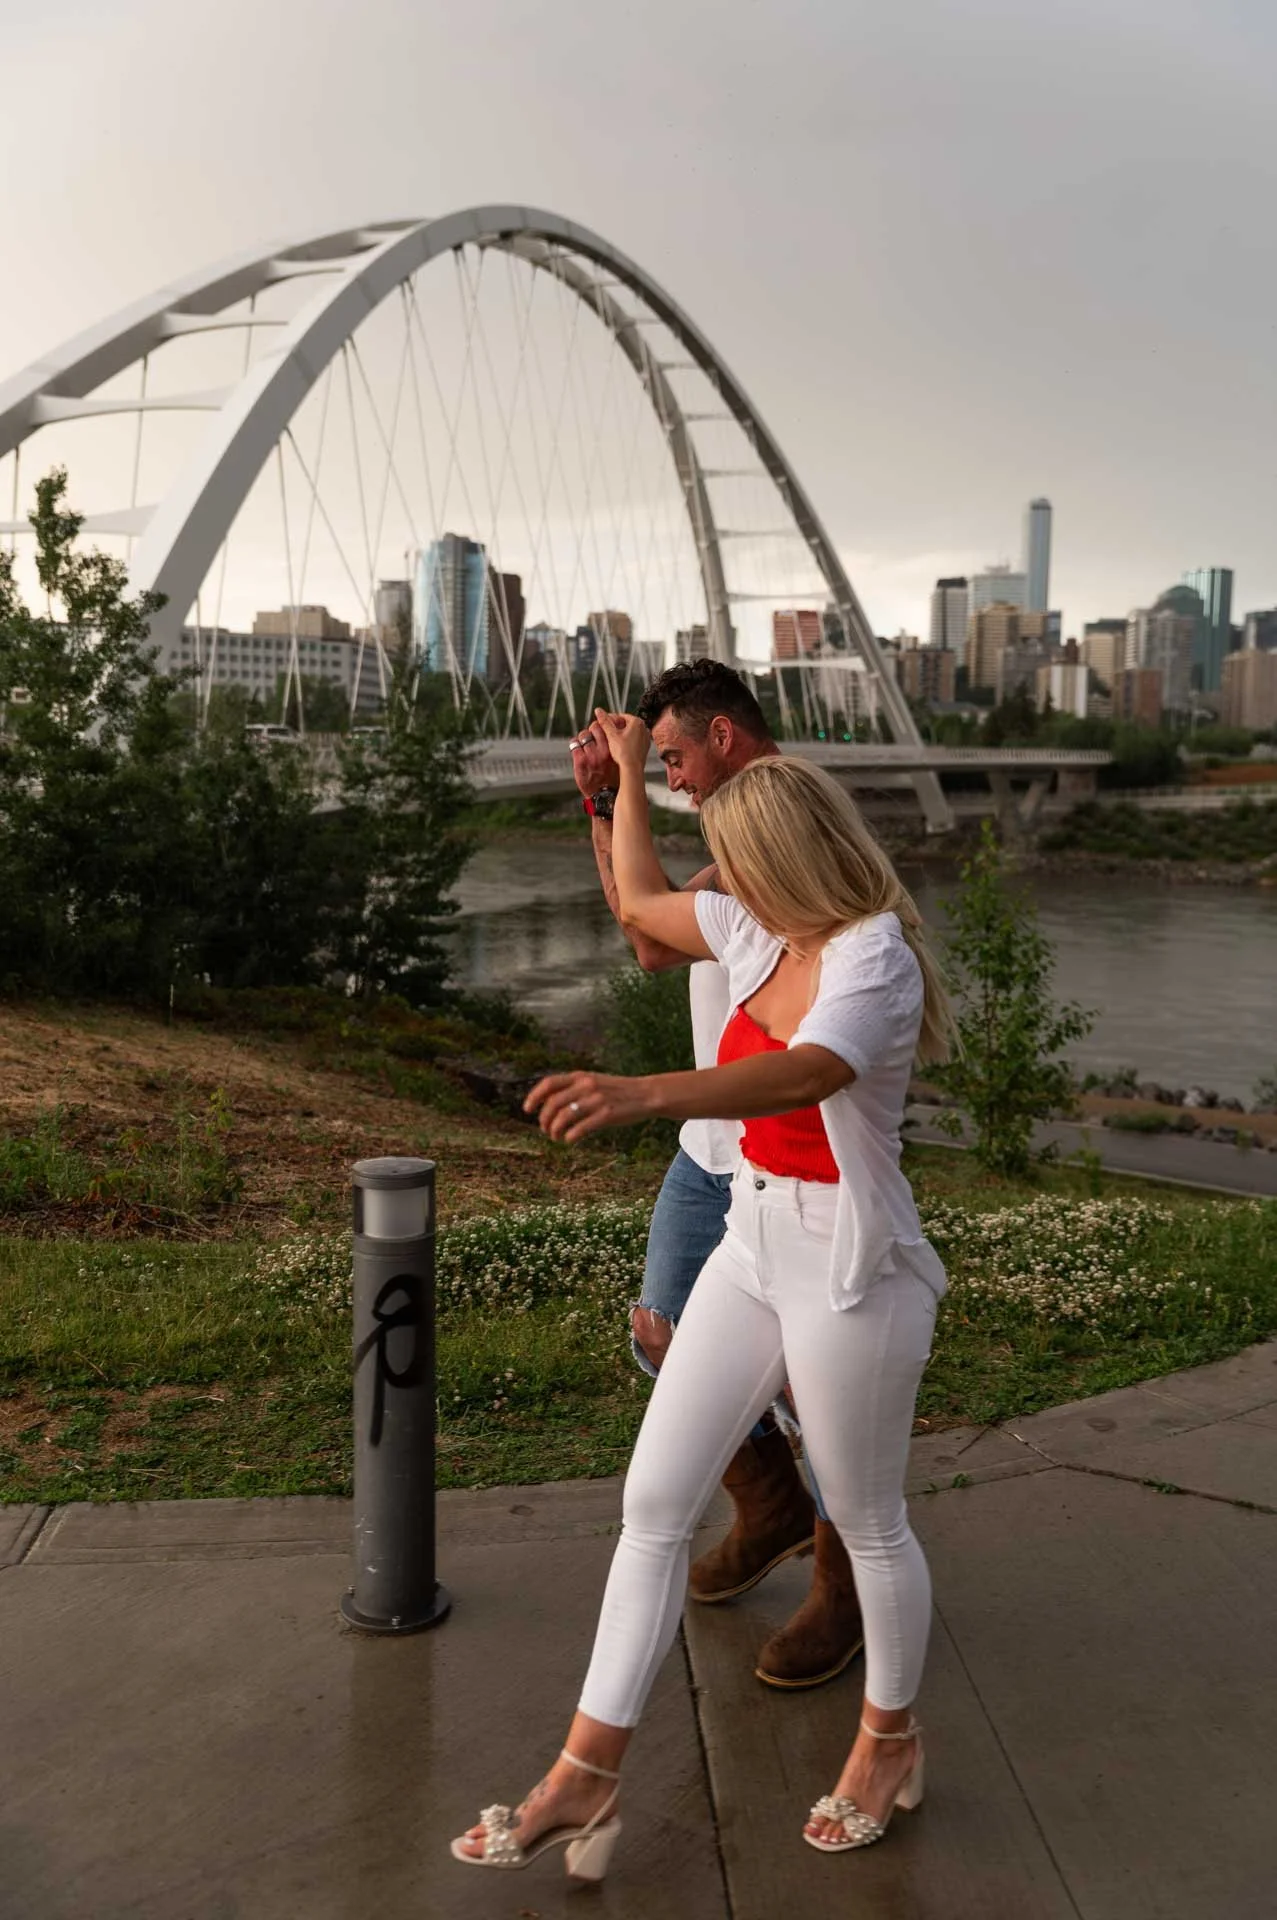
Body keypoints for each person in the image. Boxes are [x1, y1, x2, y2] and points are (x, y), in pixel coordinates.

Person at [452, 715, 953, 1879]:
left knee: (868, 1519)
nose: (716, 882)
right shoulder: (750, 927)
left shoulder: (869, 952)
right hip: (751, 1243)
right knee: (652, 1503)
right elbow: (634, 903)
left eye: (734, 856)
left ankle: (887, 1740)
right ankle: (585, 1771)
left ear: (785, 854)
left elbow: (811, 1068)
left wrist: (646, 1093)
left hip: (846, 1270)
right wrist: (620, 781)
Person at [570, 658, 863, 1691]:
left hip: (788, 1166)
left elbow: (649, 935)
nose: (675, 777)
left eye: (676, 757)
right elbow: (645, 931)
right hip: (707, 1156)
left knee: (809, 1388)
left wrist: (626, 793)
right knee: (659, 1331)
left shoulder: (787, 835)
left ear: (725, 740)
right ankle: (773, 1506)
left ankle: (842, 1585)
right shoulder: (732, 836)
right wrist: (608, 803)